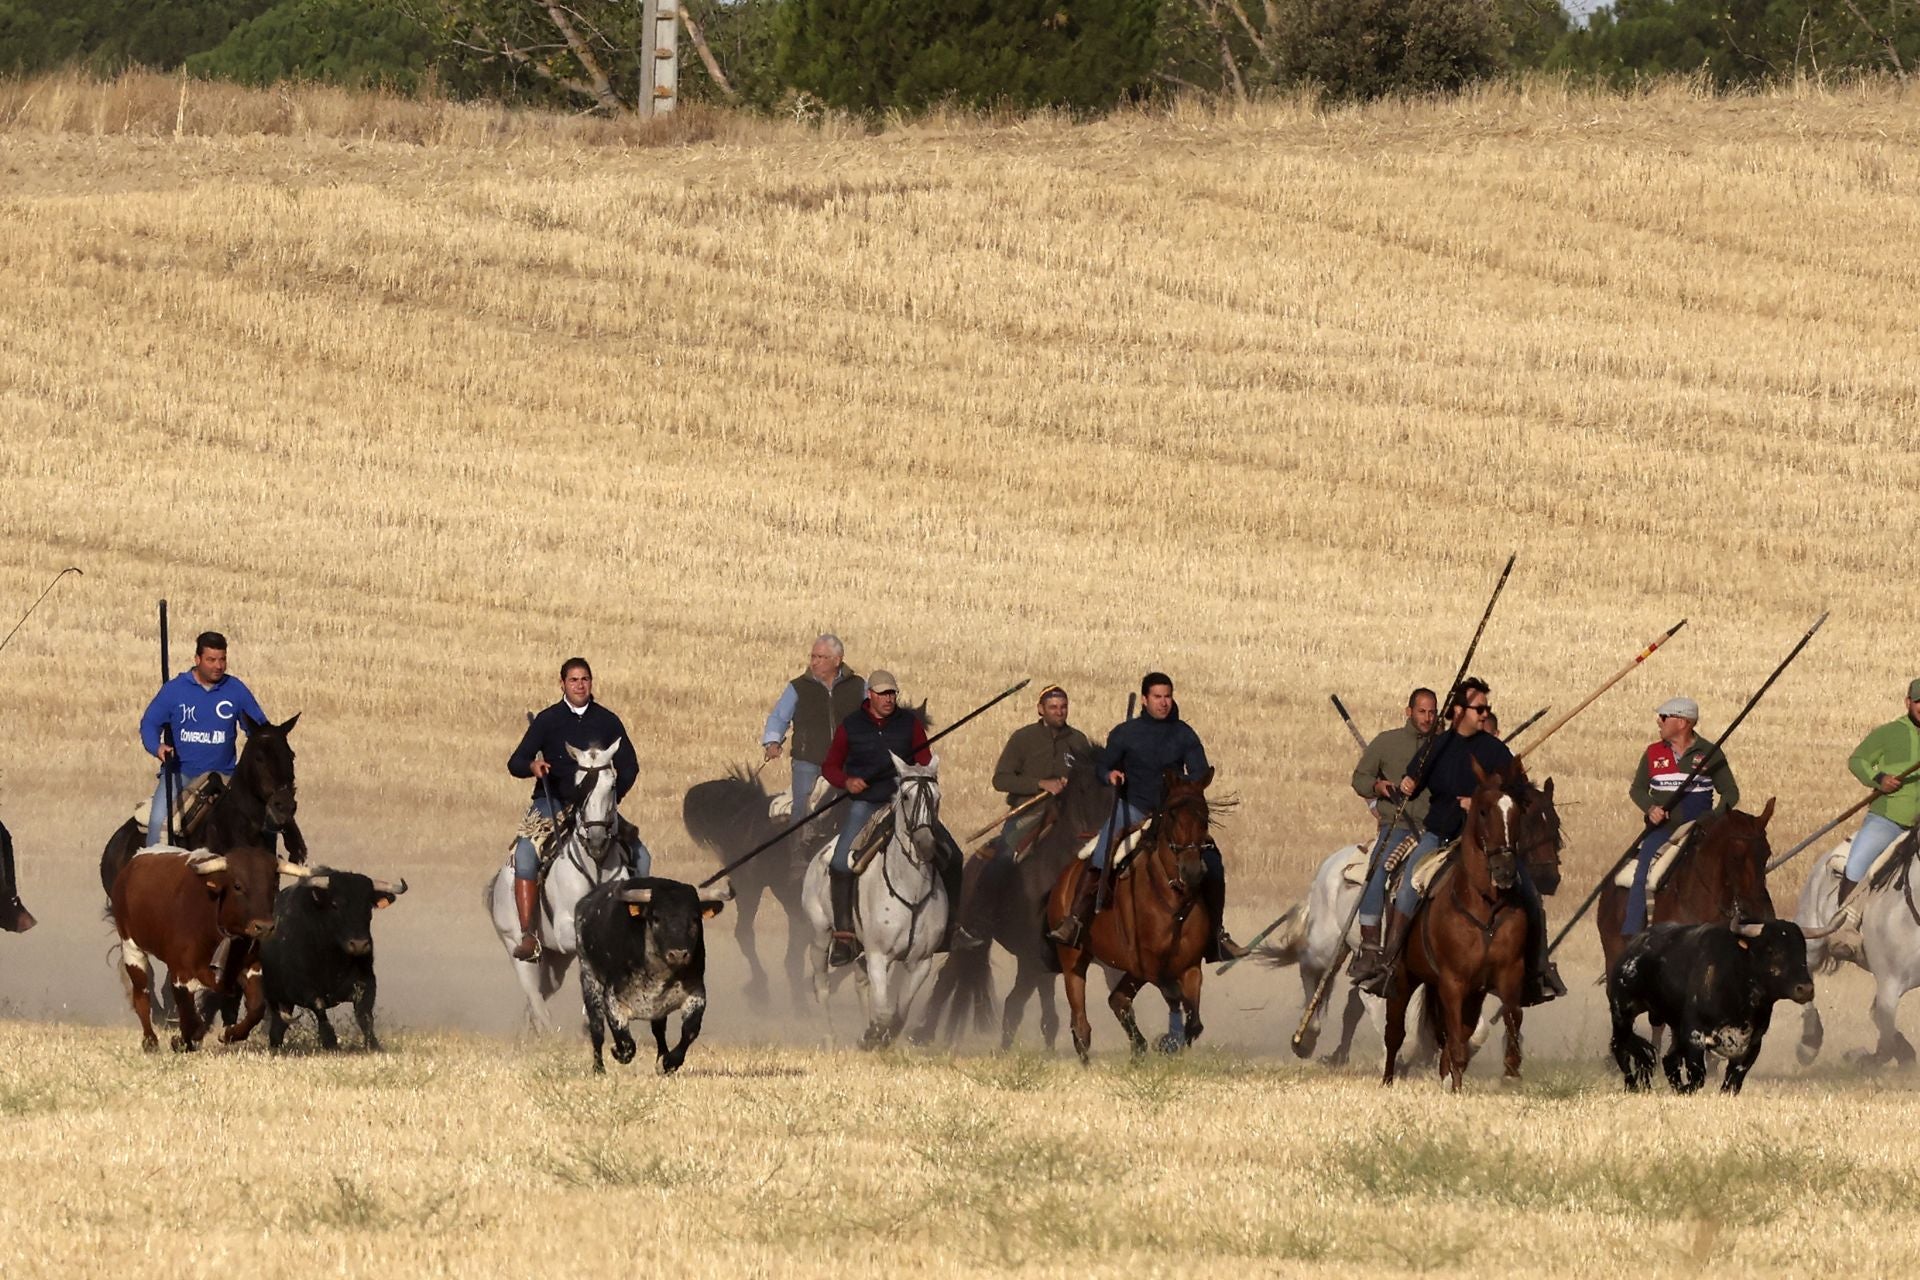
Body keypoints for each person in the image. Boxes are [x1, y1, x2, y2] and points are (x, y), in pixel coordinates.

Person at [1353, 678, 1565, 1005]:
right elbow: (1415, 780)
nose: (1485, 714)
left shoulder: (1495, 750)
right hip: (1439, 833)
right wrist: (1409, 784)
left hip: (1487, 841)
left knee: (1529, 894)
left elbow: (1517, 792)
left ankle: (1538, 970)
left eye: (1486, 709)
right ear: (1459, 711)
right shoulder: (1438, 746)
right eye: (1479, 708)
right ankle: (1389, 963)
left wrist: (1483, 802)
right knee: (1409, 884)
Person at [1047, 672, 1244, 960]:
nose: (1164, 703)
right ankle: (1075, 920)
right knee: (1102, 854)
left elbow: (1200, 769)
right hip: (1134, 808)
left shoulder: (1184, 733)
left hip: (1173, 814)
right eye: (1158, 697)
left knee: (1212, 859)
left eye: (1168, 696)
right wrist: (1110, 774)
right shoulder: (1125, 733)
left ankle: (1216, 934)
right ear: (1144, 699)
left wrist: (1189, 785)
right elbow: (1102, 767)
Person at [504, 658, 642, 961]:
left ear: (591, 683)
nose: (580, 685)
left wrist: (609, 802)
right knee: (527, 853)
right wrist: (532, 766)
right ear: (562, 683)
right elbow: (515, 762)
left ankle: (639, 929)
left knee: (641, 855)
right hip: (551, 800)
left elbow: (630, 766)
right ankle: (529, 936)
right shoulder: (548, 719)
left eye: (585, 679)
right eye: (574, 680)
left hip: (596, 809)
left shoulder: (607, 721)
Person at [820, 670, 961, 967]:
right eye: (883, 694)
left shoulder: (909, 725)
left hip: (906, 803)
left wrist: (925, 778)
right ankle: (844, 935)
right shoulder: (851, 726)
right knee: (840, 861)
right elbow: (830, 766)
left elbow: (924, 762)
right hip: (867, 803)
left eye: (892, 694)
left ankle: (951, 929)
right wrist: (847, 781)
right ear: (870, 694)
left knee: (954, 855)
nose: (888, 699)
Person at [951, 684, 1095, 951]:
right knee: (1003, 858)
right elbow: (1001, 779)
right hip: (1029, 814)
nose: (1059, 712)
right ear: (1040, 709)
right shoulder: (1023, 738)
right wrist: (1041, 783)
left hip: (1067, 818)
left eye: (1063, 707)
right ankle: (978, 924)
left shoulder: (1078, 740)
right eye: (1053, 707)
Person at [139, 631, 269, 848]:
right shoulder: (174, 690)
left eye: (222, 659)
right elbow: (149, 724)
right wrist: (157, 747)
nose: (218, 666)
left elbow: (259, 730)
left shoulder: (235, 690)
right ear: (197, 659)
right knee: (157, 820)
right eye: (211, 660)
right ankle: (153, 865)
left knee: (263, 820)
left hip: (226, 775)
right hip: (181, 773)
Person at [1622, 696, 1740, 935]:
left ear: (1683, 722)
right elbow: (1637, 789)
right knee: (1643, 867)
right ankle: (1633, 931)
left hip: (1700, 831)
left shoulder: (1710, 753)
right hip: (1663, 830)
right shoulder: (1653, 753)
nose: (1659, 721)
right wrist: (1651, 808)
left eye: (1664, 717)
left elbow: (1730, 792)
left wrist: (1713, 818)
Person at [1347, 688, 1438, 980]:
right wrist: (1381, 787)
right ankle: (1371, 946)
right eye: (1422, 711)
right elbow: (1360, 778)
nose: (1427, 718)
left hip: (1435, 829)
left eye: (1432, 712)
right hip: (1397, 826)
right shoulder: (1387, 742)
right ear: (1408, 711)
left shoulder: (1443, 747)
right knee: (1378, 871)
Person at [1834, 679, 1920, 923]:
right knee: (1858, 863)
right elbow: (1858, 760)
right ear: (1908, 702)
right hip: (1888, 819)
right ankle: (1844, 926)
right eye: (1918, 701)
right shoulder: (1888, 732)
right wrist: (1879, 778)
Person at [761, 635, 864, 826]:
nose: (814, 663)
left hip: (848, 763)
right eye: (813, 657)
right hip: (808, 761)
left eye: (820, 657)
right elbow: (779, 717)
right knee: (801, 812)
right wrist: (772, 742)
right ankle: (797, 854)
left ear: (837, 660)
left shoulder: (858, 686)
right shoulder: (798, 687)